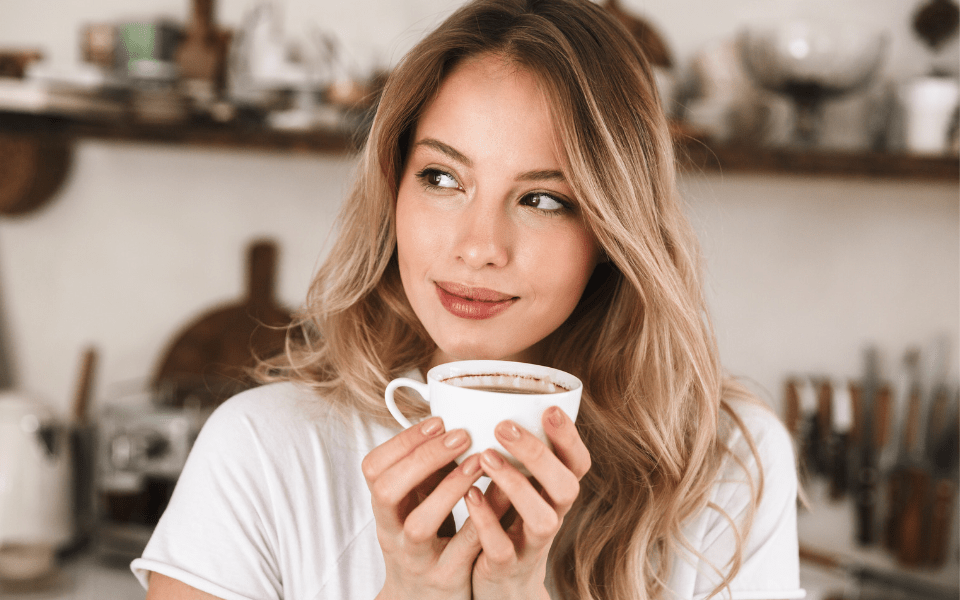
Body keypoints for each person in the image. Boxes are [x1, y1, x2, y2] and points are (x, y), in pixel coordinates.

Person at [133, 0, 804, 598]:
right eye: (443, 178)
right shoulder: (260, 449)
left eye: (543, 199)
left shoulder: (725, 468)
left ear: (609, 229)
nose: (479, 246)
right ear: (394, 186)